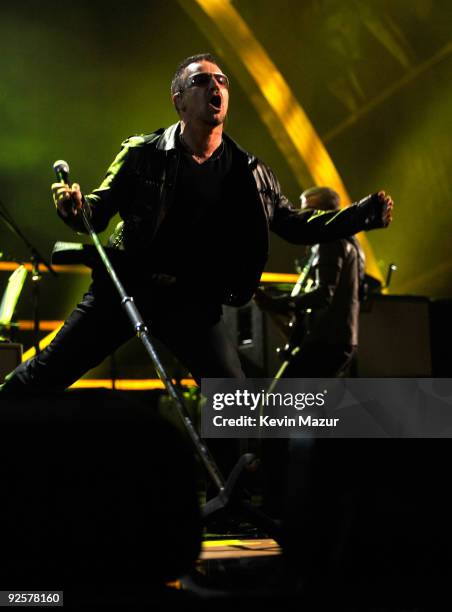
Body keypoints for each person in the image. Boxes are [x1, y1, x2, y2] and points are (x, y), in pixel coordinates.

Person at [0, 53, 393, 395]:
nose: (215, 87)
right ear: (179, 100)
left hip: (191, 300)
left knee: (231, 397)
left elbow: (295, 225)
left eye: (221, 81)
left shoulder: (249, 172)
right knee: (48, 371)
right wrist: (75, 208)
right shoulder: (144, 153)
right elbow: (97, 212)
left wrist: (360, 215)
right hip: (128, 288)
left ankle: (234, 481)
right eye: (201, 81)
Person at [256, 185, 365, 378]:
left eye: (307, 210)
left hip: (325, 343)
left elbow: (323, 294)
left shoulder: (329, 240)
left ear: (321, 212)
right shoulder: (349, 242)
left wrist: (278, 303)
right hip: (337, 341)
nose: (302, 216)